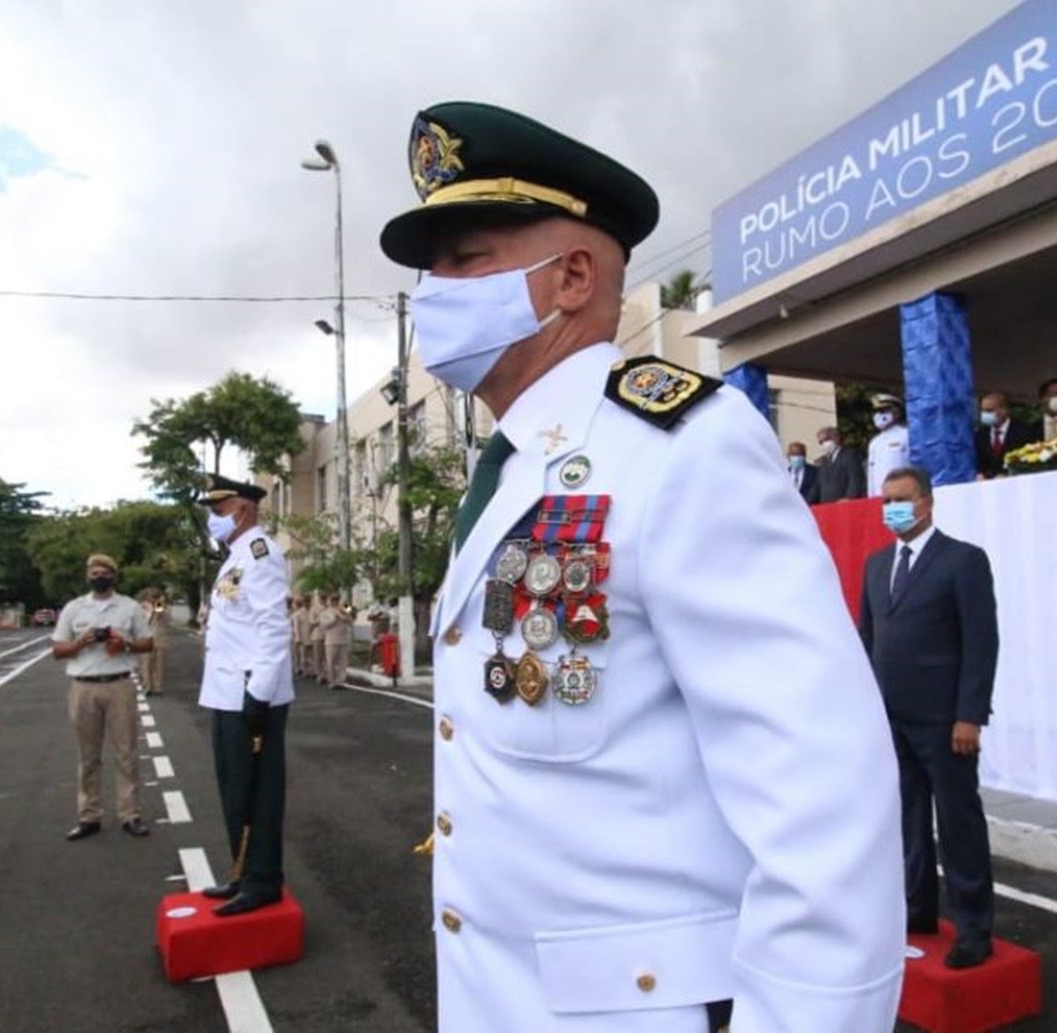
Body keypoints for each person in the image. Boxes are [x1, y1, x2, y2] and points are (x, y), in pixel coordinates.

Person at [380, 100, 904, 1032]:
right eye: (433, 268)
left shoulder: (683, 447)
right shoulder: (512, 469)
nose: (434, 291)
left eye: (466, 260)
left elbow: (821, 801)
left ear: (573, 275)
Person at [859, 467, 998, 969]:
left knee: (958, 823)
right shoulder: (876, 565)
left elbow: (981, 644)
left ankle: (973, 928)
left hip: (945, 721)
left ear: (927, 502)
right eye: (886, 501)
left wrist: (970, 715)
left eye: (903, 499)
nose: (893, 509)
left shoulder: (962, 560)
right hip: (891, 719)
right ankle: (918, 909)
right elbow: (867, 641)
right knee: (907, 821)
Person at [196, 474, 294, 916]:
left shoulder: (261, 555)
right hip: (226, 692)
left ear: (244, 510)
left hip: (251, 694)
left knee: (258, 792)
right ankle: (241, 871)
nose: (213, 519)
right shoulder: (235, 557)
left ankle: (263, 880)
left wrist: (259, 695)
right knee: (233, 789)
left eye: (219, 511)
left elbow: (273, 628)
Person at [51, 553, 153, 840]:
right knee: (88, 756)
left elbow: (148, 643)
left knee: (126, 753)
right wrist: (80, 643)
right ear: (87, 577)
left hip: (118, 683)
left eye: (104, 573)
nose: (99, 577)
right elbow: (57, 650)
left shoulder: (129, 607)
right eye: (94, 573)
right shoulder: (74, 609)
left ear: (113, 575)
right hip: (83, 686)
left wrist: (126, 643)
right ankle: (89, 815)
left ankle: (130, 814)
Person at [974, 391, 1037, 479]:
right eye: (983, 411)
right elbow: (978, 462)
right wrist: (980, 474)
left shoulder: (1024, 432)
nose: (985, 415)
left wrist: (1007, 475)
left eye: (989, 411)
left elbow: (1029, 461)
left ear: (1004, 410)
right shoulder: (980, 435)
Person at [866, 392, 909, 497]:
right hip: (880, 496)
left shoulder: (906, 435)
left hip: (902, 494)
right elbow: (871, 475)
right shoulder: (874, 442)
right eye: (875, 412)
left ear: (896, 412)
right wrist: (871, 497)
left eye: (882, 411)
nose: (878, 415)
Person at [813, 426, 866, 502]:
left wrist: (849, 498)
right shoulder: (824, 461)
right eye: (820, 442)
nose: (823, 444)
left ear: (836, 438)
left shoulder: (849, 455)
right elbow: (818, 486)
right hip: (826, 506)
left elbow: (855, 479)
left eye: (826, 440)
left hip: (844, 504)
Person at [138, 588, 170, 696]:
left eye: (155, 596)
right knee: (146, 664)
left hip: (159, 638)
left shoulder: (161, 607)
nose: (152, 598)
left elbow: (163, 617)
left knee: (159, 664)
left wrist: (159, 604)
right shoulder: (140, 608)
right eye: (150, 596)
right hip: (145, 638)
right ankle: (147, 686)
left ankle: (158, 687)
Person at [321, 594, 353, 689]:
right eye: (333, 600)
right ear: (330, 601)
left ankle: (341, 681)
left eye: (337, 600)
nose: (335, 602)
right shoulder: (325, 612)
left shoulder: (344, 608)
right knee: (331, 662)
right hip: (331, 640)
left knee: (343, 662)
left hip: (343, 639)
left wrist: (345, 615)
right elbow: (324, 625)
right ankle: (332, 681)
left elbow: (351, 620)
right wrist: (335, 619)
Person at [291, 596, 313, 676]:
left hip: (312, 636)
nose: (308, 603)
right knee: (302, 655)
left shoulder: (312, 611)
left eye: (309, 601)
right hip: (303, 636)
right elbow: (296, 627)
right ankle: (304, 670)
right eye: (306, 602)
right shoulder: (298, 614)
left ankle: (311, 670)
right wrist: (298, 638)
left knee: (311, 655)